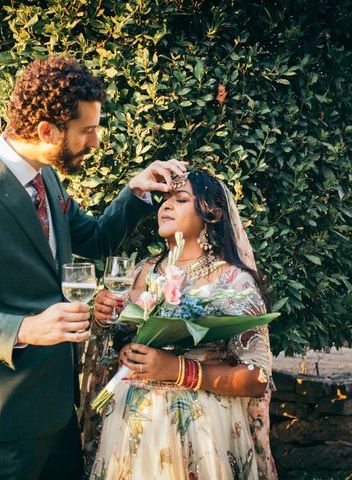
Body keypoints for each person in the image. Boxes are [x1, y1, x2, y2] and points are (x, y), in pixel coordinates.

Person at [0, 55, 187, 480]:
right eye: (87, 130)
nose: (95, 141)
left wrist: (134, 191)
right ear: (46, 131)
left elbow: (95, 238)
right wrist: (25, 329)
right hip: (2, 428)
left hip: (60, 414)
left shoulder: (48, 180)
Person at [90, 170, 277, 480]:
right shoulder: (143, 271)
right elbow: (118, 339)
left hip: (201, 428)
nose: (166, 206)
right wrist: (103, 317)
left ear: (212, 213)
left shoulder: (232, 281)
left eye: (180, 199)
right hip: (135, 424)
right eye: (164, 200)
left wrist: (177, 369)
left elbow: (257, 378)